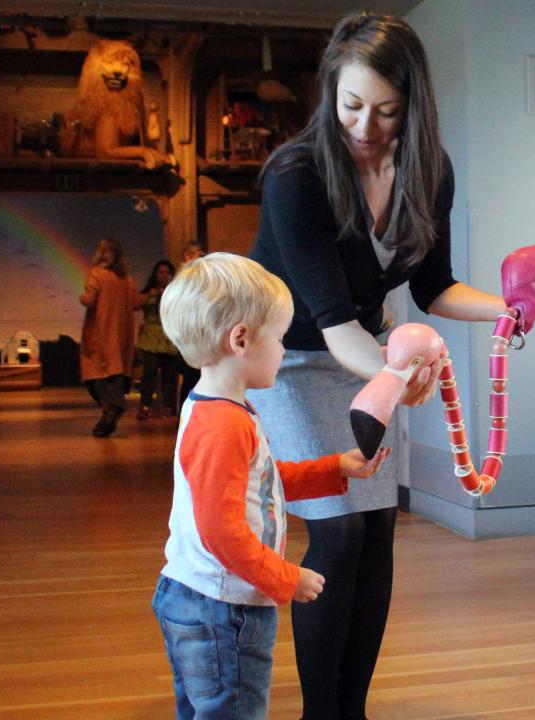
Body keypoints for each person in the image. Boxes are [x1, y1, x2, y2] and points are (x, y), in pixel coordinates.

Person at [248, 12, 535, 718]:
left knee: (377, 532)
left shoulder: (429, 171)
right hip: (289, 357)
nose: (366, 127)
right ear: (329, 94)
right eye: (350, 106)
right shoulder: (296, 174)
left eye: (387, 110)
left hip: (369, 356)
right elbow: (332, 317)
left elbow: (434, 288)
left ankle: (354, 709)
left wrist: (520, 309)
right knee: (339, 528)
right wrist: (394, 373)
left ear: (414, 104)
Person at [151, 252, 392, 719]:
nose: (284, 351)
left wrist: (333, 468)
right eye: (280, 339)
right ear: (240, 339)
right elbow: (222, 532)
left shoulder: (215, 406)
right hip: (224, 609)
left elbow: (261, 482)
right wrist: (287, 578)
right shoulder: (224, 424)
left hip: (195, 598)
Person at [79, 236, 141, 437]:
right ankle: (109, 412)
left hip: (100, 333)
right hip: (121, 336)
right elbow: (135, 303)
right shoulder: (127, 279)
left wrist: (82, 296)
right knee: (115, 373)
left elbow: (89, 300)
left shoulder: (96, 275)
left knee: (95, 375)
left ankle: (111, 407)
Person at [135, 260, 181, 419]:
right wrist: (150, 294)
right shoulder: (149, 291)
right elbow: (135, 304)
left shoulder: (176, 291)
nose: (164, 275)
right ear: (155, 274)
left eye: (167, 272)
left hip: (169, 336)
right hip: (150, 337)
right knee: (149, 372)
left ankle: (167, 406)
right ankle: (145, 405)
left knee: (170, 374)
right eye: (160, 272)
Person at [176, 241, 206, 409]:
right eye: (198, 254)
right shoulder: (186, 274)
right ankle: (187, 408)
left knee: (193, 374)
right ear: (188, 255)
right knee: (191, 374)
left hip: (192, 328)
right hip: (189, 329)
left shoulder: (189, 274)